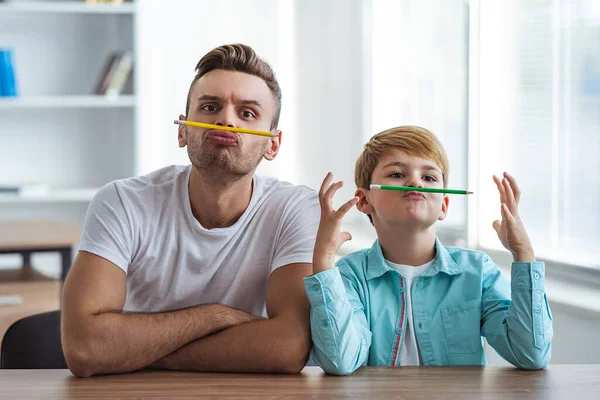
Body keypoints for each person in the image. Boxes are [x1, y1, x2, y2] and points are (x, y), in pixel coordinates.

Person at [61, 43, 320, 377]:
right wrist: (214, 316)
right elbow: (85, 348)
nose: (225, 121)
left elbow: (288, 348)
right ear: (183, 130)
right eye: (210, 107)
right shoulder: (122, 201)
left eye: (247, 113)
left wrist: (133, 352)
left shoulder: (294, 208)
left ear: (272, 144)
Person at [304, 125, 553, 375]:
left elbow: (530, 354)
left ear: (444, 204)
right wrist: (324, 258)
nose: (415, 182)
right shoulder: (349, 275)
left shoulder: (478, 272)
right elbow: (341, 361)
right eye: (397, 174)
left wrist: (523, 253)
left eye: (429, 178)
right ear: (365, 200)